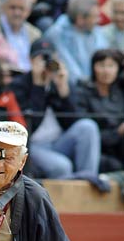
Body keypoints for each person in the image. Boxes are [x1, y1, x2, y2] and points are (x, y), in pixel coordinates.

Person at [10, 38, 102, 180]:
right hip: (32, 145)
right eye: (41, 58)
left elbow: (74, 121)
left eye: (50, 58)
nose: (46, 63)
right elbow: (29, 125)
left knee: (88, 126)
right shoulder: (19, 85)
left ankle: (89, 179)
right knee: (62, 166)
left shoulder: (60, 81)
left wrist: (63, 90)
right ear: (30, 60)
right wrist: (38, 87)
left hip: (59, 141)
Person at [76, 47, 124, 171]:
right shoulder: (83, 91)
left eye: (111, 66)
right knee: (114, 165)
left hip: (118, 148)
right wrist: (117, 133)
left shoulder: (120, 90)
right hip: (95, 151)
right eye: (101, 65)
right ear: (93, 67)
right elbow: (85, 132)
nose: (106, 71)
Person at [44, 0, 108, 83]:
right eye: (95, 17)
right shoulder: (57, 34)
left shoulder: (96, 30)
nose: (99, 20)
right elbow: (71, 72)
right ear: (80, 19)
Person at [0, 0, 42, 73]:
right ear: (3, 8)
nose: (17, 13)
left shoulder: (35, 34)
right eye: (12, 7)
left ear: (28, 11)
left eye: (21, 9)